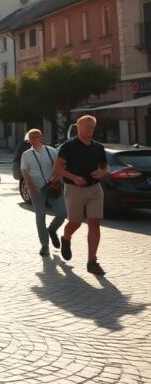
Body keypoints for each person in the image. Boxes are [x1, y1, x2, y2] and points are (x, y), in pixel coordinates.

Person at [53, 114, 108, 275]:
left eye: (92, 126)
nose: (90, 129)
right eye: (86, 126)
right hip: (74, 189)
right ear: (78, 127)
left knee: (94, 222)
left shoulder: (98, 147)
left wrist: (102, 172)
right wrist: (74, 177)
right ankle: (66, 237)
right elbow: (58, 168)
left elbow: (105, 166)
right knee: (75, 222)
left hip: (95, 189)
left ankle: (92, 261)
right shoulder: (68, 146)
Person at [20, 128, 66, 257]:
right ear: (28, 140)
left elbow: (60, 166)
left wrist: (56, 178)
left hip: (53, 186)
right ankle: (44, 245)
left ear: (41, 138)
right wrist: (29, 184)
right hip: (36, 188)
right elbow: (24, 170)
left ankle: (52, 229)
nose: (34, 139)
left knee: (62, 212)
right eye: (32, 138)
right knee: (40, 216)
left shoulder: (51, 151)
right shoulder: (26, 154)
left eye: (37, 137)